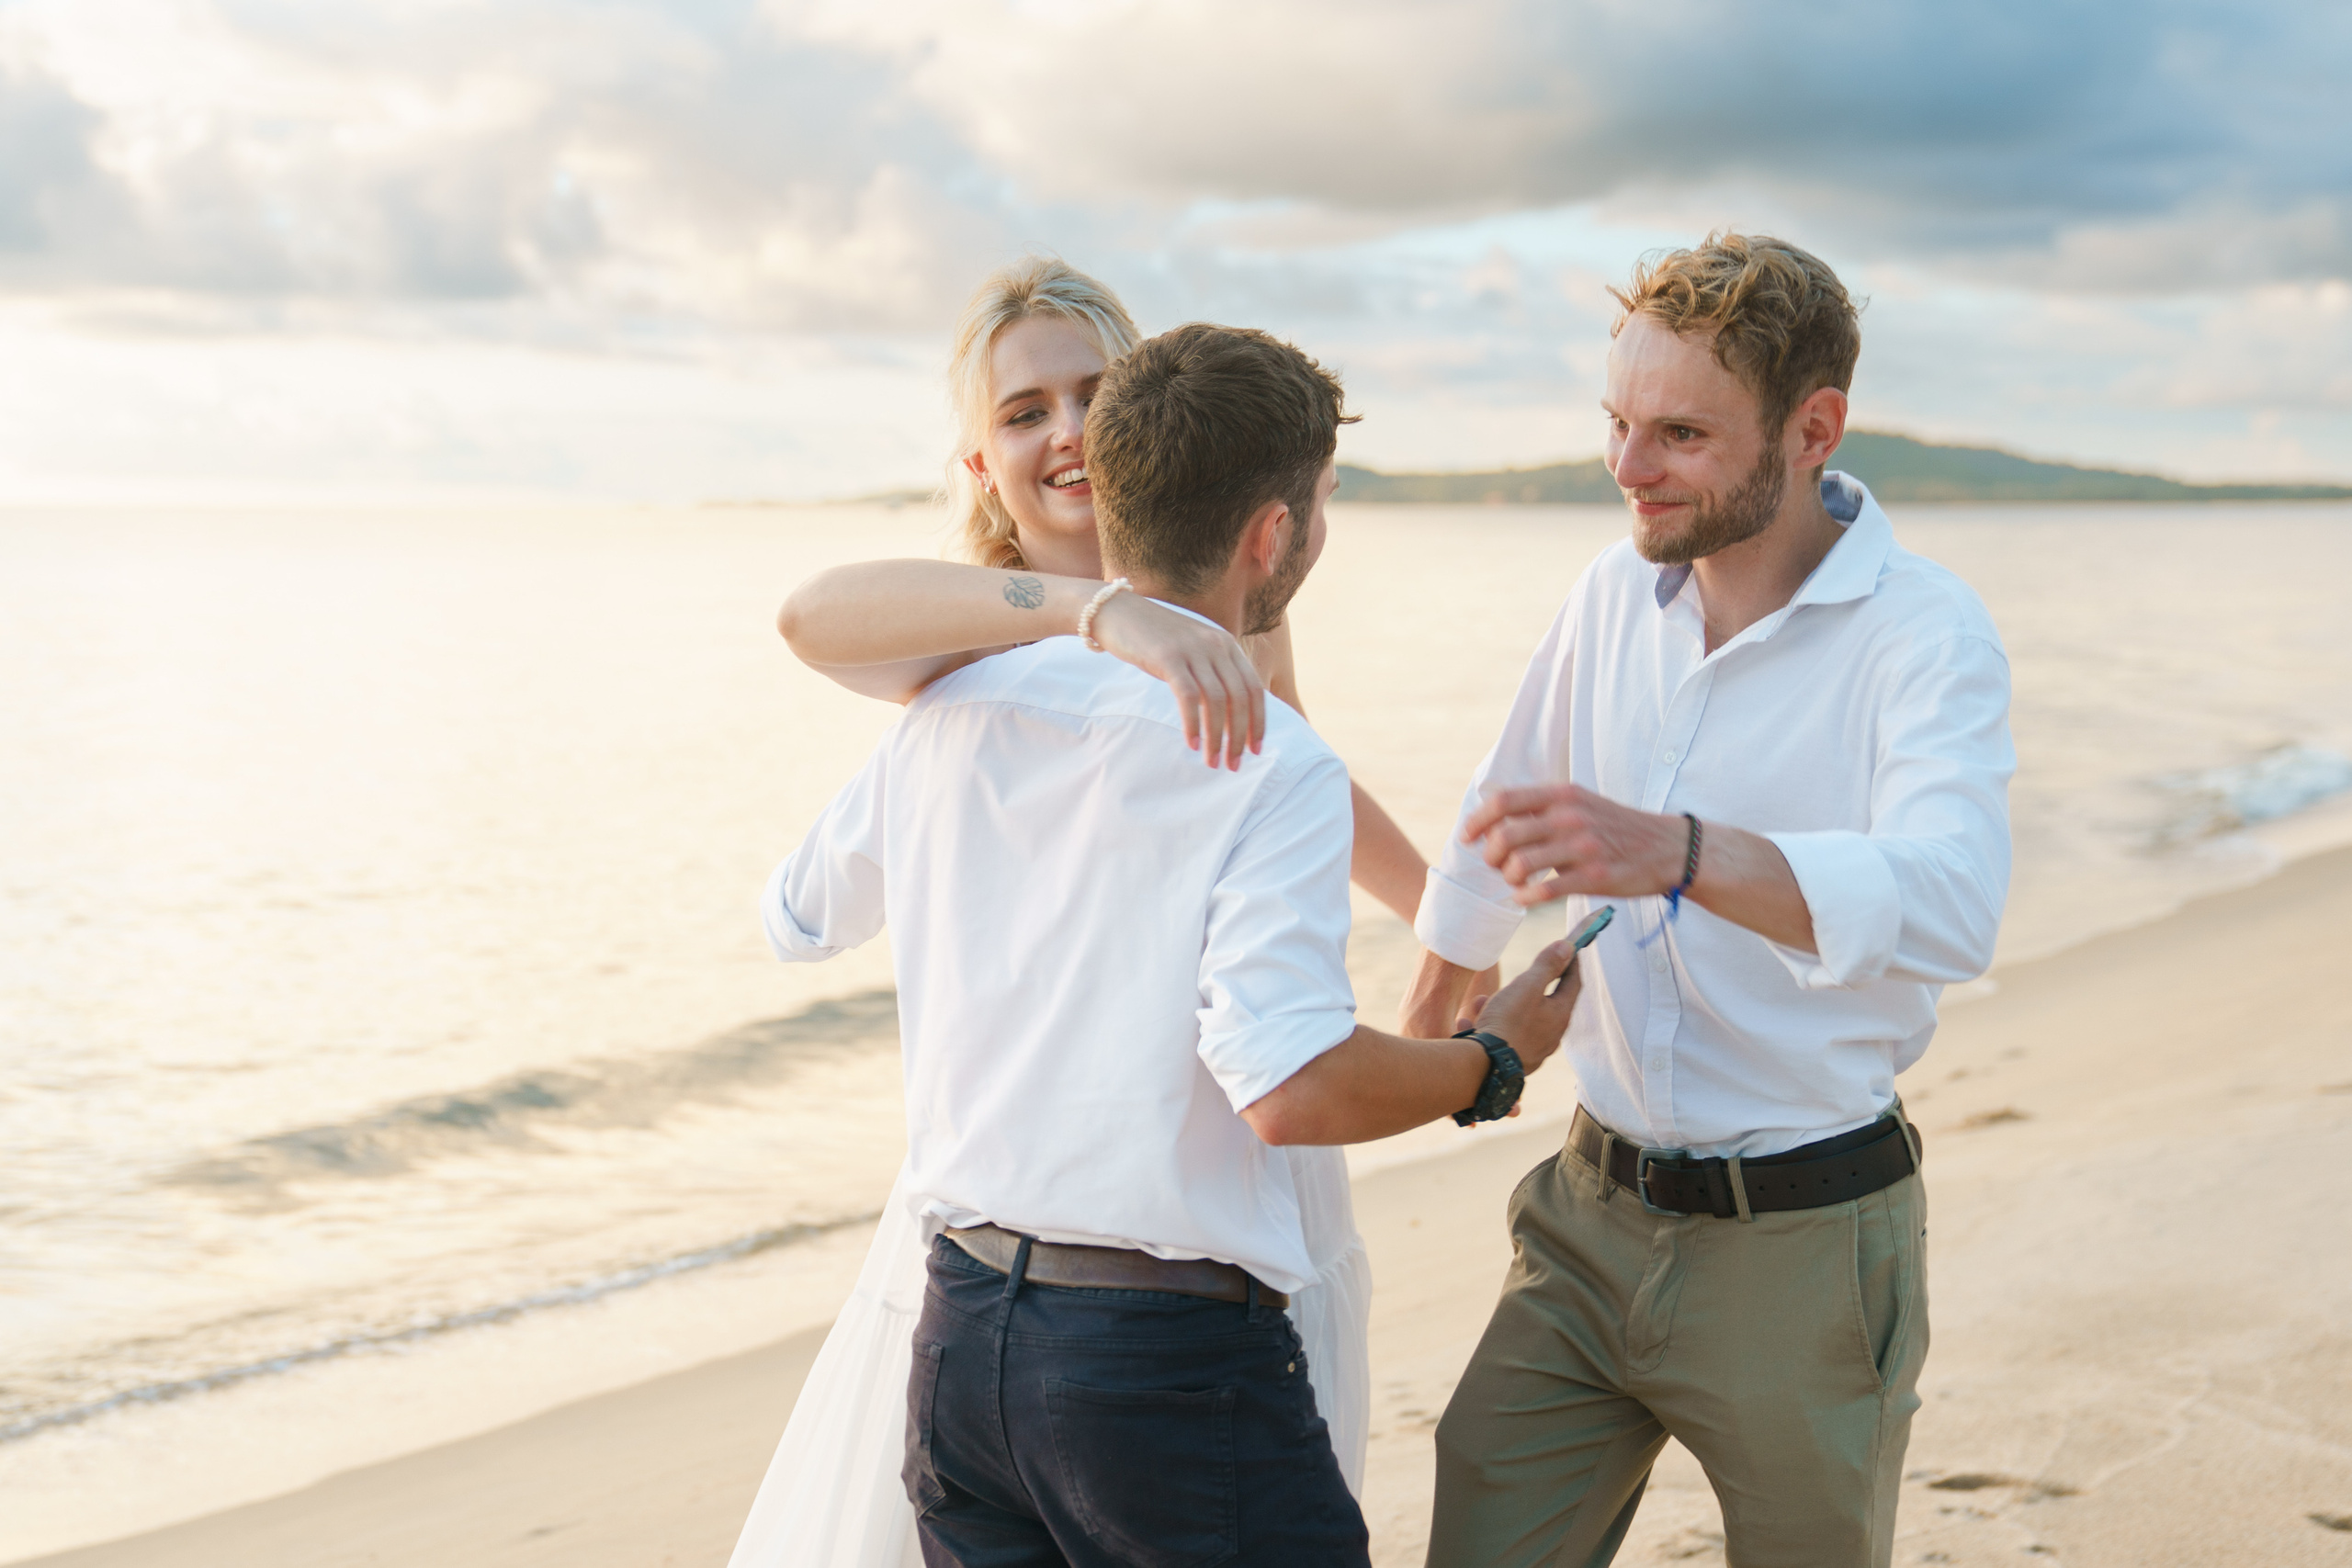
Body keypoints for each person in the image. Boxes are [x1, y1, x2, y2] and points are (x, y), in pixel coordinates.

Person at [756, 321, 1586, 1565]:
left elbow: (800, 916)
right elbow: (1288, 1081)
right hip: (1158, 1348)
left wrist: (1450, 918)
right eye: (1027, 409)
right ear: (1274, 533)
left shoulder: (938, 715)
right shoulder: (1233, 745)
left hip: (969, 1327)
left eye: (1091, 397)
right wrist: (1494, 1061)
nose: (1069, 431)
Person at [1401, 233, 2014, 1567]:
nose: (1626, 468)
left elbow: (1956, 902)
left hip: (1804, 1248)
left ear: (1812, 428)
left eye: (1677, 433)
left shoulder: (1927, 632)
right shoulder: (1607, 594)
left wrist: (1680, 851)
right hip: (1581, 1219)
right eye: (1617, 424)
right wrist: (1424, 1042)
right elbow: (1491, 819)